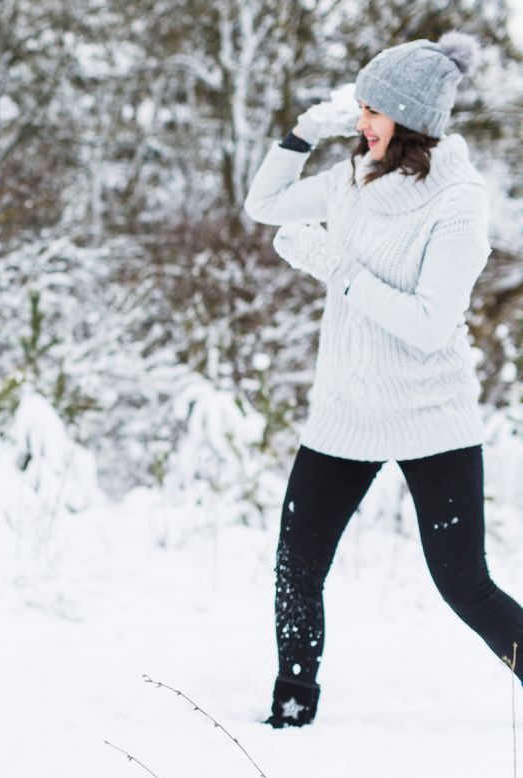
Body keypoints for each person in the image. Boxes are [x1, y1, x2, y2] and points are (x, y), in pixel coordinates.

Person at [243, 31, 523, 727]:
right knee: (296, 570)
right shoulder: (350, 179)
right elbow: (264, 206)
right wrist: (302, 132)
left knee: (464, 584)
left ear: (413, 119)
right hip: (345, 411)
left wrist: (332, 266)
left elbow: (429, 324)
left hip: (432, 418)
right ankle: (292, 703)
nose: (360, 120)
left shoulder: (458, 202)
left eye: (375, 108)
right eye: (359, 105)